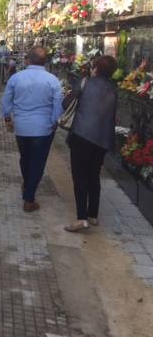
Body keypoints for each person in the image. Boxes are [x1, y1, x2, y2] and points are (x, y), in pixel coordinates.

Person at [1, 47, 63, 213]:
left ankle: (27, 184)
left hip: (21, 126)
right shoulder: (53, 80)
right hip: (43, 128)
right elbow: (57, 106)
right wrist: (54, 122)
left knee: (25, 157)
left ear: (28, 60)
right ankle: (29, 198)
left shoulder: (16, 78)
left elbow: (6, 99)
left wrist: (7, 117)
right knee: (38, 161)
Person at [64, 56, 118, 232]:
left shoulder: (86, 82)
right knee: (94, 175)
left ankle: (81, 218)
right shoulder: (114, 88)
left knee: (80, 177)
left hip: (82, 135)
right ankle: (93, 215)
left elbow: (67, 104)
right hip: (102, 139)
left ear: (95, 68)